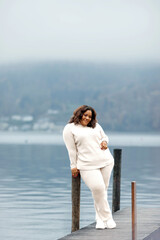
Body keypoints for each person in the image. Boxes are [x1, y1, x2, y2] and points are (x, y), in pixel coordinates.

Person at [63, 105, 116, 229]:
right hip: (86, 165)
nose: (87, 118)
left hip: (106, 161)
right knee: (98, 189)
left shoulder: (96, 126)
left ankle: (99, 220)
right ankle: (108, 217)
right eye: (85, 115)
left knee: (102, 191)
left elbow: (104, 137)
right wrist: (73, 166)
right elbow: (71, 149)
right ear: (78, 114)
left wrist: (104, 142)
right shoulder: (69, 129)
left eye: (90, 116)